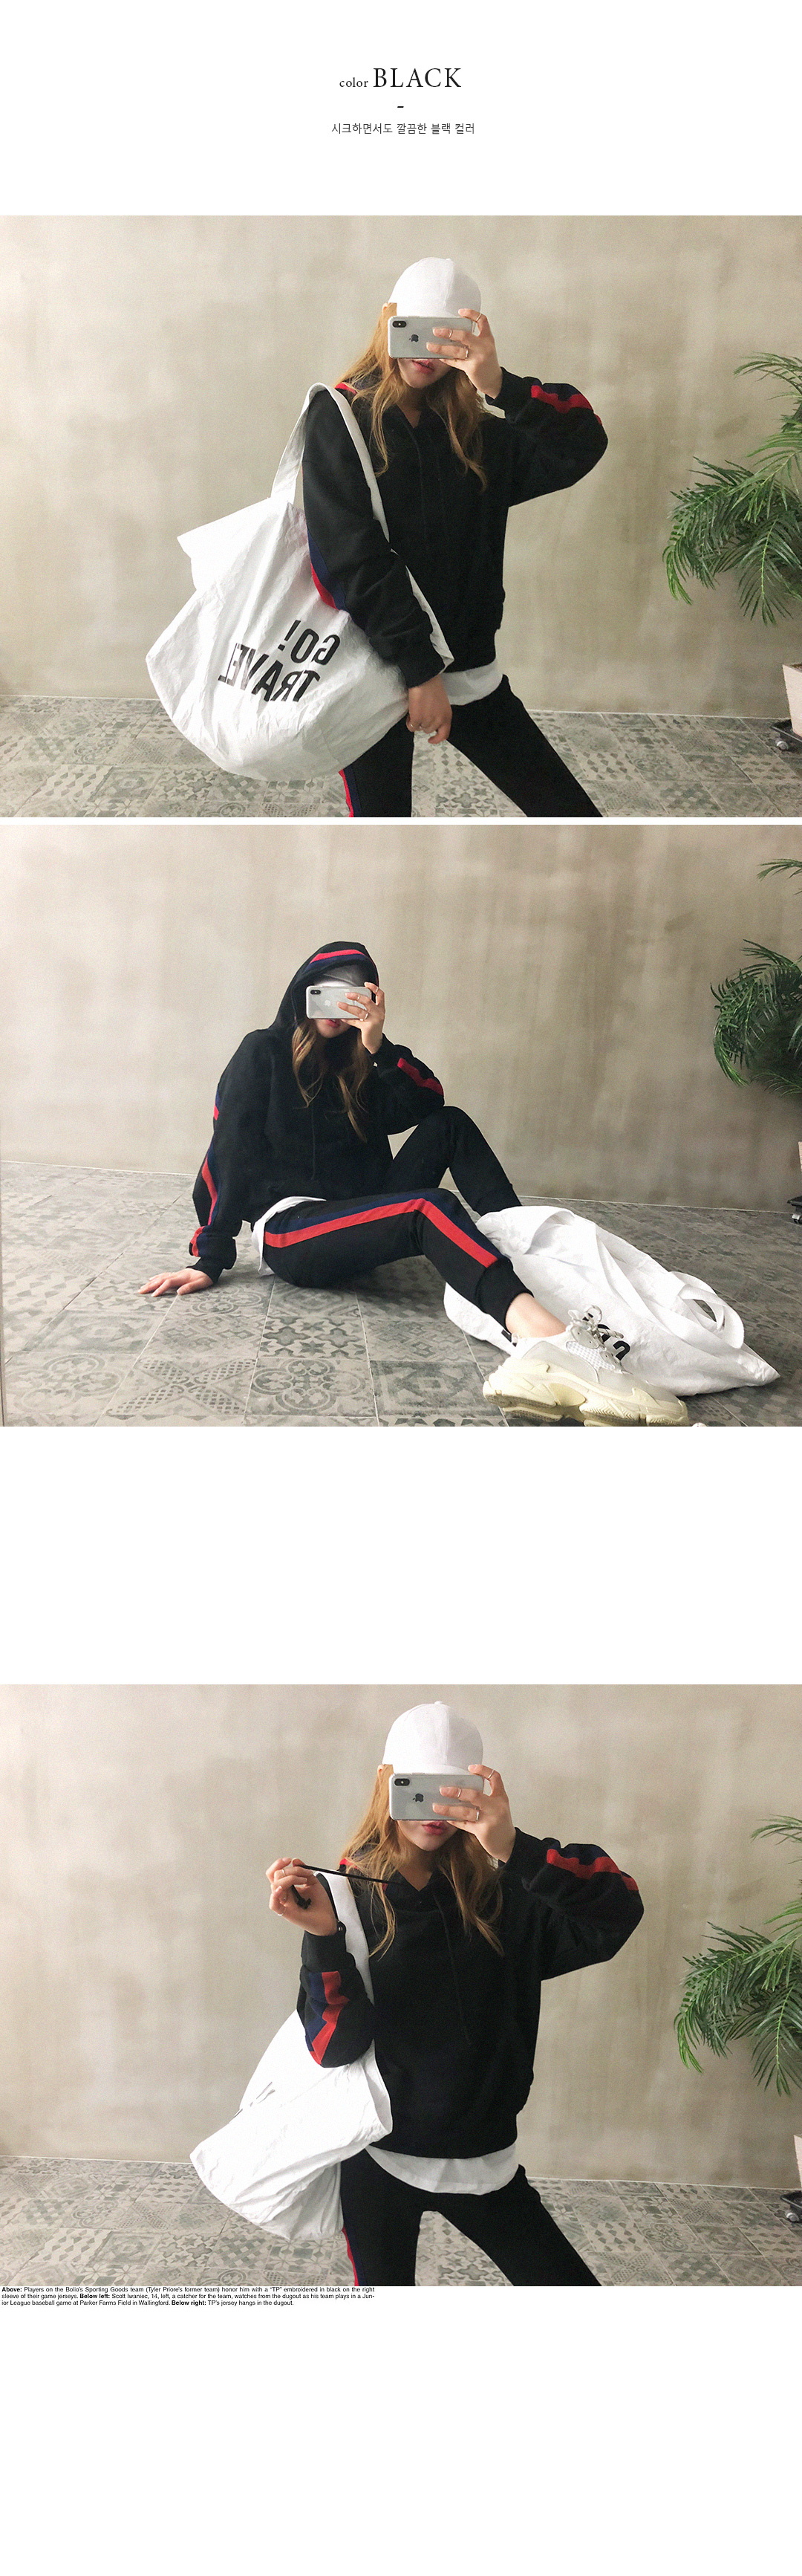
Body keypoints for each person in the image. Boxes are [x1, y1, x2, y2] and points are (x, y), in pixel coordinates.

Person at [139, 938, 687, 1426]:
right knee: (428, 1208)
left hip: (362, 1211)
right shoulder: (262, 1051)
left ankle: (531, 1251)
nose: (339, 1005)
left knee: (451, 1125)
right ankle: (555, 1346)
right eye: (327, 990)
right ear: (304, 991)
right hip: (293, 1229)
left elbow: (427, 1103)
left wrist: (377, 1045)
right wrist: (210, 1256)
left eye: (355, 993)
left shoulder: (362, 1061)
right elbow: (230, 1150)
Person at [267, 1701, 644, 2288]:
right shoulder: (344, 1899)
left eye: (454, 1790)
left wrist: (515, 1847)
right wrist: (323, 1939)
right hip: (377, 2157)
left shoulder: (509, 1895)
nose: (435, 1809)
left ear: (481, 1790)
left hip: (483, 2158)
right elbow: (333, 2047)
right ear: (387, 1783)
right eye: (416, 1787)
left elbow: (618, 1911)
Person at [301, 255, 607, 819]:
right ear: (389, 319)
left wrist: (500, 386)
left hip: (467, 668)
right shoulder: (340, 417)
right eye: (413, 328)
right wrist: (419, 670)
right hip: (371, 669)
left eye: (446, 337)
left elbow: (582, 443)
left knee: (573, 819)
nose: (426, 352)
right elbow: (350, 556)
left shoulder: (478, 435)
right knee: (382, 835)